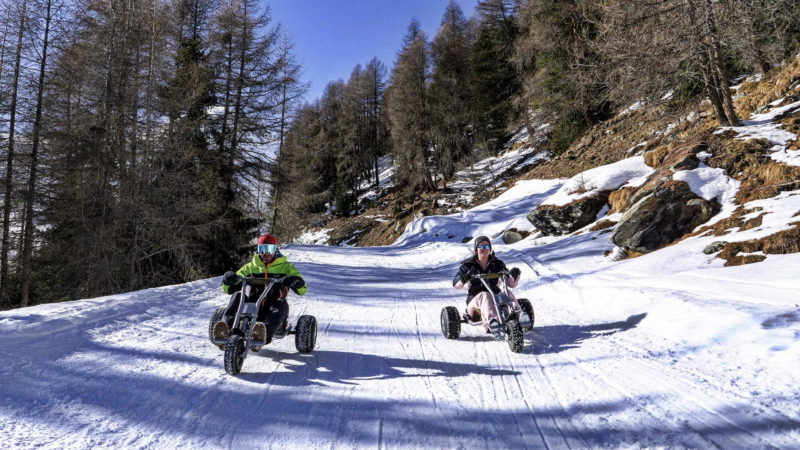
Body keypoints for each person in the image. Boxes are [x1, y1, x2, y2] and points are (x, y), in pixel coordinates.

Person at [213, 234, 307, 349]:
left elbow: (302, 290)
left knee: (280, 303)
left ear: (275, 249)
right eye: (262, 249)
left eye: (269, 249)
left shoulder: (286, 268)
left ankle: (261, 335)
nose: (266, 253)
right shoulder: (251, 267)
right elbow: (228, 289)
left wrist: (296, 282)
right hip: (252, 306)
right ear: (258, 250)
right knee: (237, 296)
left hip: (274, 306)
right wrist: (228, 281)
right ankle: (226, 331)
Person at [452, 236, 526, 340]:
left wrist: (514, 275)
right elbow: (456, 284)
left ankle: (520, 316)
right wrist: (463, 278)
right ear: (476, 249)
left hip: (496, 298)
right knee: (485, 295)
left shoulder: (497, 264)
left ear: (490, 248)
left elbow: (511, 284)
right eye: (481, 246)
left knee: (507, 292)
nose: (484, 249)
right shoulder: (468, 265)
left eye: (486, 246)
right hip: (475, 304)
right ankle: (493, 324)